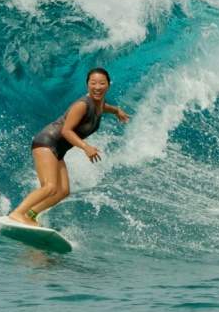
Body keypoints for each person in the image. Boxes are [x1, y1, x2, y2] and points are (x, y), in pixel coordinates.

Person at [8, 67, 129, 226]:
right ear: (87, 85)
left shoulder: (100, 104)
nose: (97, 87)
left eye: (101, 83)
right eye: (93, 83)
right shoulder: (82, 105)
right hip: (47, 142)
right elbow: (66, 131)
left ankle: (31, 214)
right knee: (50, 187)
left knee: (63, 191)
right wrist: (86, 147)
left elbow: (107, 108)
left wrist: (117, 111)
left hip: (59, 149)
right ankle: (17, 213)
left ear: (108, 85)